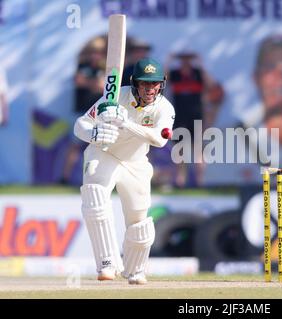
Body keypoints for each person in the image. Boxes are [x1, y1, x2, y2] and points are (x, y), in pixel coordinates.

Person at [73, 57, 175, 285]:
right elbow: (80, 124)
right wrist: (94, 134)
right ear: (135, 83)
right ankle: (107, 263)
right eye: (145, 83)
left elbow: (160, 140)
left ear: (162, 84)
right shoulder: (115, 96)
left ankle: (135, 269)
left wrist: (125, 122)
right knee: (95, 196)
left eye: (155, 83)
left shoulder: (165, 108)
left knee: (139, 222)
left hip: (136, 163)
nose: (150, 89)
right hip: (104, 153)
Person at [61, 38, 106, 184]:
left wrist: (89, 83)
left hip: (98, 113)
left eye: (98, 52)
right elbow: (79, 81)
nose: (95, 55)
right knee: (74, 145)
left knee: (98, 147)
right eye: (93, 52)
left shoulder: (105, 68)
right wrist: (93, 83)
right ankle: (65, 177)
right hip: (81, 111)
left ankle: (96, 178)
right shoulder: (82, 65)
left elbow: (101, 86)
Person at [166, 51, 210, 187]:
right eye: (183, 59)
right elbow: (162, 80)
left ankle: (200, 182)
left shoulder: (197, 73)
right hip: (179, 116)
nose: (186, 62)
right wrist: (169, 60)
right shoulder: (175, 74)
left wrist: (201, 64)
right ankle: (180, 181)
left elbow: (209, 85)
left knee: (198, 149)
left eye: (188, 59)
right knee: (179, 150)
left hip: (196, 116)